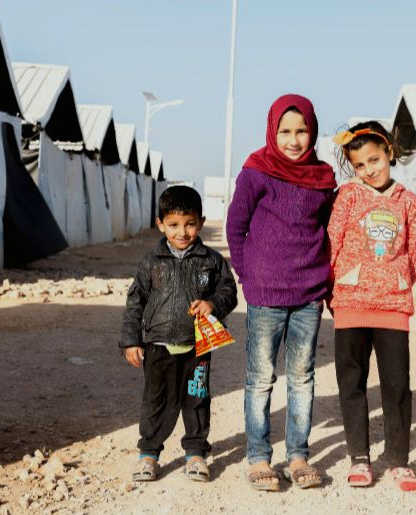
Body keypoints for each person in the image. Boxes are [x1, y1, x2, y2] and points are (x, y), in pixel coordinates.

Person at [226, 94, 336, 491]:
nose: (293, 140)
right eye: (285, 131)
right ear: (273, 131)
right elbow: (236, 227)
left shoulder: (323, 179)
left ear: (313, 131)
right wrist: (247, 274)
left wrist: (329, 285)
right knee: (260, 379)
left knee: (302, 378)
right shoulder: (256, 171)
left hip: (308, 295)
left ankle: (298, 456)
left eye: (302, 130)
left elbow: (327, 234)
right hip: (265, 295)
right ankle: (258, 458)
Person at [327, 121, 416, 492]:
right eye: (361, 165)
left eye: (375, 160)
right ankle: (360, 458)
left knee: (396, 385)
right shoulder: (348, 196)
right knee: (352, 383)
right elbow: (332, 243)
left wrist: (396, 283)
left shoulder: (407, 201)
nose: (370, 170)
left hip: (393, 307)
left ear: (389, 154)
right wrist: (339, 287)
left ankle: (399, 461)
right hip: (350, 303)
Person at [120, 186, 238, 483]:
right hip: (157, 347)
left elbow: (229, 292)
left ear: (200, 222)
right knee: (155, 401)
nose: (182, 232)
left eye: (190, 224)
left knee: (197, 399)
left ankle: (196, 454)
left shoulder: (211, 260)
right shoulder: (152, 261)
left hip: (197, 346)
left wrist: (213, 304)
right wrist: (132, 340)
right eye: (173, 225)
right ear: (160, 224)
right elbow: (136, 301)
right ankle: (148, 454)